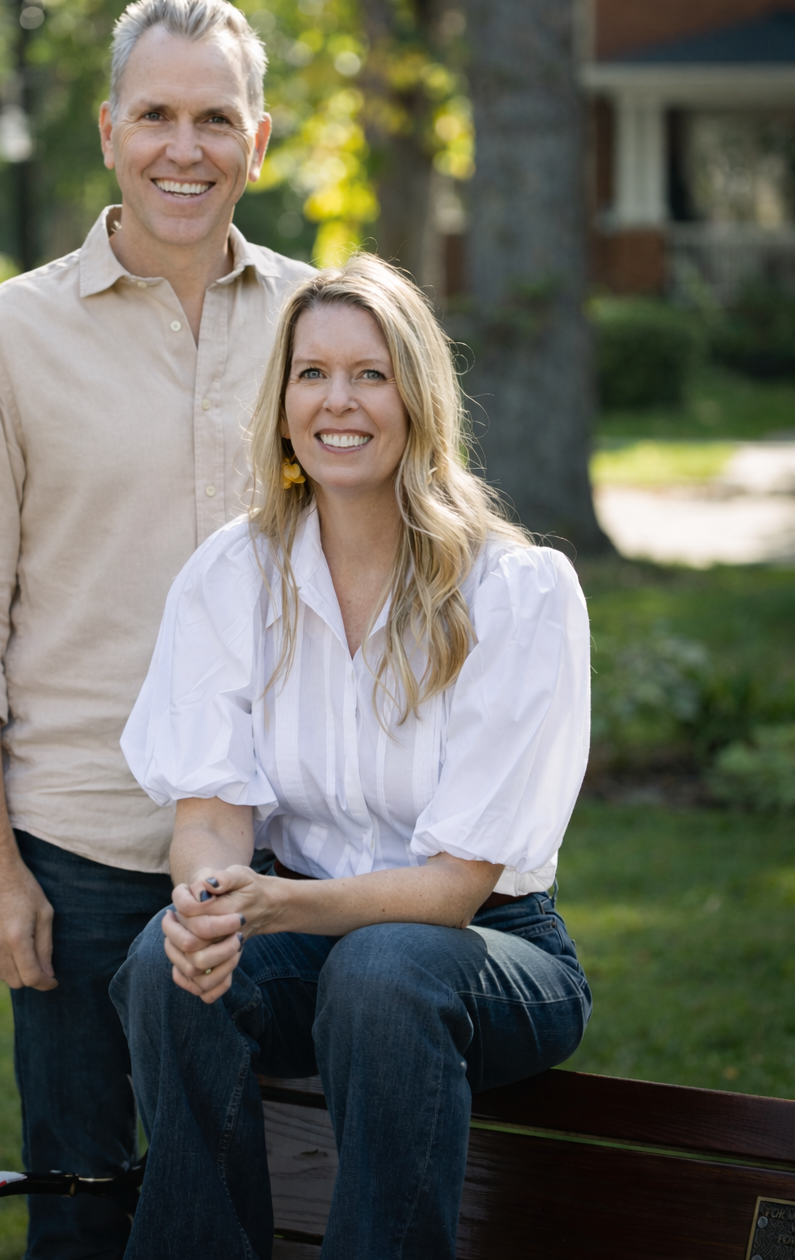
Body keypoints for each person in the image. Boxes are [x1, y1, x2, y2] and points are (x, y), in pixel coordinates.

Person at [0, 0, 312, 1260]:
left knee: (282, 1198)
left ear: (259, 142)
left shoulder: (331, 330)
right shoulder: (5, 337)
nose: (181, 148)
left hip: (285, 851)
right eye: (154, 114)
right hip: (79, 847)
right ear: (107, 130)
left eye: (213, 117)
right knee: (85, 1214)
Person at [111, 254, 593, 1260]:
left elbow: (455, 890)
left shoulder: (514, 592)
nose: (340, 402)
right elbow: (207, 810)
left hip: (485, 954)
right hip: (310, 939)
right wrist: (208, 905)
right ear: (282, 402)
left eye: (371, 374)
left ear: (418, 398)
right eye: (311, 373)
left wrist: (276, 907)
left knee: (383, 969)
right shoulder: (232, 576)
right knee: (164, 965)